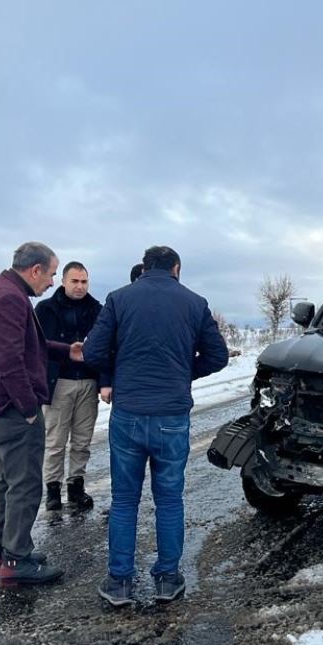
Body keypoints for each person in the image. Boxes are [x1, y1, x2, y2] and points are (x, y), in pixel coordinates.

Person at [83, 245, 228, 606]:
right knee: (169, 500)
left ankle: (119, 582)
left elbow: (92, 353)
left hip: (129, 413)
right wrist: (183, 372)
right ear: (176, 268)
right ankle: (167, 578)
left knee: (124, 501)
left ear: (144, 268)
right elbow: (218, 356)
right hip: (171, 415)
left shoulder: (118, 299)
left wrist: (120, 373)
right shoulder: (195, 303)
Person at [0, 242, 82, 586]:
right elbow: (8, 361)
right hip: (11, 409)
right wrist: (27, 409)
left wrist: (65, 350)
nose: (53, 282)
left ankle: (2, 551)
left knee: (7, 480)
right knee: (24, 483)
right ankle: (16, 561)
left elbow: (26, 346)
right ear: (35, 270)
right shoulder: (10, 298)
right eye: (52, 274)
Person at [35, 261, 108, 512]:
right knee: (55, 440)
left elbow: (107, 347)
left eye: (84, 281)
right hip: (58, 383)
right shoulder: (45, 310)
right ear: (64, 281)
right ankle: (52, 489)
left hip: (87, 382)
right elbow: (35, 348)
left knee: (82, 440)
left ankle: (76, 486)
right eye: (75, 281)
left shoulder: (98, 311)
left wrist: (104, 381)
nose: (80, 286)